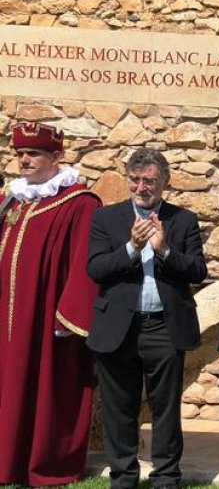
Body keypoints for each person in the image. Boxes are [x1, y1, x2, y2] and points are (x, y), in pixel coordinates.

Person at [87, 148, 207, 489]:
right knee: (119, 406)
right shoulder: (106, 219)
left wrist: (164, 250)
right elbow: (95, 269)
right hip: (119, 327)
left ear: (165, 183)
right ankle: (124, 476)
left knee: (165, 408)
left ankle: (166, 475)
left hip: (163, 327)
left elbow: (198, 269)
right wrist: (130, 248)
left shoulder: (182, 219)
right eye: (135, 180)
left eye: (150, 181)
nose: (142, 187)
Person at [0, 123, 101, 486]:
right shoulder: (10, 200)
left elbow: (84, 264)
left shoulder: (78, 203)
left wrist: (68, 316)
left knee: (40, 389)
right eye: (20, 154)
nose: (24, 161)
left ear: (57, 157)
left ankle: (39, 463)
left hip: (45, 322)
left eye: (34, 154)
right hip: (4, 317)